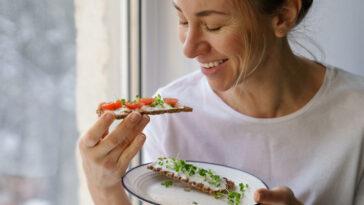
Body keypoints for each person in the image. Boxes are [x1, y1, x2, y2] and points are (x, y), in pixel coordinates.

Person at [78, 0, 364, 204]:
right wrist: (104, 190)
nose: (189, 49)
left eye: (213, 26)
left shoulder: (357, 113)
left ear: (283, 17)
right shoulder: (172, 121)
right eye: (183, 20)